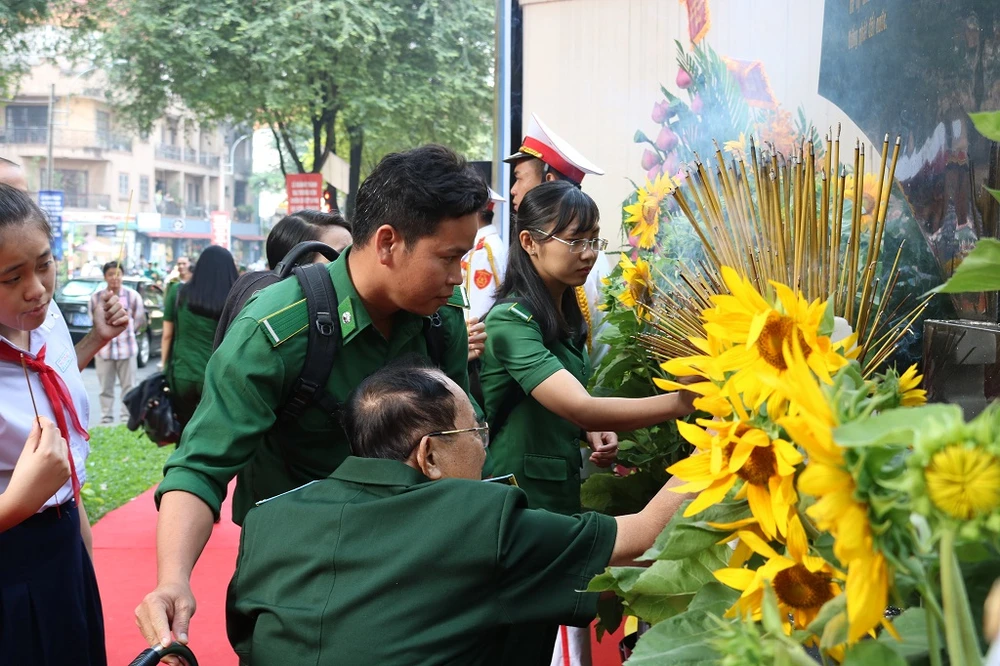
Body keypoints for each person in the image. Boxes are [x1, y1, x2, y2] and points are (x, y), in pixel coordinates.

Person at [135, 144, 488, 651]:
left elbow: (461, 439)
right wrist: (172, 581)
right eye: (449, 258)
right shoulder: (275, 333)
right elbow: (199, 469)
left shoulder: (440, 316)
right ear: (388, 242)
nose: (458, 277)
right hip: (301, 588)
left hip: (412, 578)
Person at [226, 359, 693, 665]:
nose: (484, 452)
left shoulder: (268, 518)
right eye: (477, 434)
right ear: (428, 455)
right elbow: (645, 535)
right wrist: (731, 438)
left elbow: (246, 640)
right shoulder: (475, 517)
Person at [480, 181, 698, 664]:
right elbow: (579, 403)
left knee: (535, 639)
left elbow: (568, 409)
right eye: (573, 240)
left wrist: (587, 432)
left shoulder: (564, 316)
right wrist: (680, 402)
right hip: (516, 502)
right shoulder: (511, 320)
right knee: (514, 643)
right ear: (530, 242)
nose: (588, 254)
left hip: (553, 497)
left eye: (594, 240)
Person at [0, 183, 128, 665]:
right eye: (11, 278)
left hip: (65, 542)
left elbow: (45, 377)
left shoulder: (45, 317)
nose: (36, 288)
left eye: (44, 264)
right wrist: (18, 501)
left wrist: (96, 339)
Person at [505, 113, 611, 367]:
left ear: (548, 183)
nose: (513, 189)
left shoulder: (573, 265)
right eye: (575, 240)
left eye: (519, 177)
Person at [213, 210, 353, 349]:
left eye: (354, 252)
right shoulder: (271, 329)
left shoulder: (349, 309)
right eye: (338, 256)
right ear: (296, 265)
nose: (353, 263)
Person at [160, 245, 238, 428]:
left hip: (182, 375)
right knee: (210, 433)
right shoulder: (233, 300)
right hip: (215, 379)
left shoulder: (178, 293)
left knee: (184, 432)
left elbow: (167, 335)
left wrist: (164, 368)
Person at [89, 260, 145, 424]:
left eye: (118, 274)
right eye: (111, 274)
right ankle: (106, 418)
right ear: (105, 277)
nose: (115, 278)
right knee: (105, 388)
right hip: (104, 351)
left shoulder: (133, 296)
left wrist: (127, 334)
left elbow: (139, 320)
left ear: (123, 275)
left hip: (127, 349)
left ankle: (126, 419)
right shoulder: (96, 298)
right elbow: (94, 322)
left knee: (128, 387)